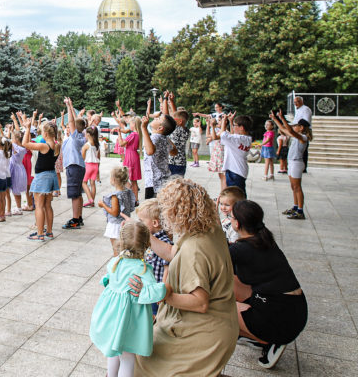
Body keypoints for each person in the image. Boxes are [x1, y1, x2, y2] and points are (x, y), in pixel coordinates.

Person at [132, 179, 238, 377]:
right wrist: (146, 235)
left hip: (202, 332)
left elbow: (200, 303)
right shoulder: (208, 228)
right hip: (220, 324)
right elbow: (174, 253)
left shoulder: (196, 249)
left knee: (141, 361)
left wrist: (159, 293)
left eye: (166, 209)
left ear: (176, 211)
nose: (163, 214)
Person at [230, 200, 308, 369]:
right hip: (296, 310)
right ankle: (258, 335)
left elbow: (211, 258)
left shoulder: (241, 249)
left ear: (237, 223)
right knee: (232, 283)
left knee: (219, 309)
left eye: (231, 217)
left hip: (280, 320)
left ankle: (268, 340)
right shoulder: (264, 239)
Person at [89, 221, 168, 377]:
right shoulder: (142, 269)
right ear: (147, 244)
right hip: (130, 320)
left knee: (113, 351)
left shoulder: (115, 262)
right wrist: (164, 287)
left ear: (122, 241)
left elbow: (107, 280)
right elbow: (155, 293)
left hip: (112, 316)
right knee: (128, 356)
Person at [20, 111, 61, 241]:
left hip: (42, 177)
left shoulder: (44, 146)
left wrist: (27, 128)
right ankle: (49, 231)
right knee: (48, 205)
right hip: (51, 175)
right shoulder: (57, 145)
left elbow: (25, 144)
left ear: (46, 133)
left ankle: (40, 233)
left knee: (39, 205)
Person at [135, 199, 173, 315]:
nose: (139, 224)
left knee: (154, 315)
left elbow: (167, 270)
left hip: (155, 290)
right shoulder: (150, 238)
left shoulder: (164, 243)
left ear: (155, 223)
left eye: (142, 221)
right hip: (147, 287)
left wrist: (162, 292)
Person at [270, 111, 309, 220]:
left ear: (301, 127)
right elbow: (283, 129)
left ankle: (300, 211)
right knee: (293, 187)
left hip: (297, 163)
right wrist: (275, 119)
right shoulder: (296, 136)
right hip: (292, 162)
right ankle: (296, 207)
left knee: (297, 187)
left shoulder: (303, 137)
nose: (294, 127)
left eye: (296, 125)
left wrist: (282, 117)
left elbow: (290, 130)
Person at [140, 99, 176, 199]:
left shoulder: (155, 137)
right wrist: (167, 137)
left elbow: (150, 151)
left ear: (160, 128)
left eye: (158, 119)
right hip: (164, 179)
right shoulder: (165, 139)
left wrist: (143, 128)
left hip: (154, 182)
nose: (155, 118)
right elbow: (174, 151)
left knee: (152, 211)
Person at [61, 98, 87, 230]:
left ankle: (75, 219)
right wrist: (71, 106)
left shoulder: (75, 136)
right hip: (78, 166)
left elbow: (72, 121)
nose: (67, 126)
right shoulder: (80, 135)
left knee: (74, 195)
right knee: (78, 193)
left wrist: (68, 106)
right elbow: (77, 121)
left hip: (74, 166)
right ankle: (79, 217)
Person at [98, 166, 136, 256]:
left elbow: (114, 212)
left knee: (117, 250)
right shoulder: (127, 192)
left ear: (114, 180)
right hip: (125, 223)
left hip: (116, 225)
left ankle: (116, 267)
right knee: (124, 249)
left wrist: (103, 205)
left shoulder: (115, 196)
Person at [219, 112, 253, 196]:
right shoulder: (247, 138)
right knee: (239, 194)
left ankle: (241, 209)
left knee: (235, 197)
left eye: (235, 125)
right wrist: (231, 122)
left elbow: (223, 135)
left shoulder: (238, 139)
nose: (233, 127)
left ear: (241, 127)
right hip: (240, 170)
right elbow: (233, 136)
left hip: (234, 171)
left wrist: (224, 120)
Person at [163, 92, 189, 178]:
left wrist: (165, 99)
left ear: (180, 121)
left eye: (174, 119)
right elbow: (175, 114)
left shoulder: (178, 129)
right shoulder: (185, 130)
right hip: (181, 163)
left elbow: (166, 116)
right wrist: (172, 102)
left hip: (174, 163)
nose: (173, 120)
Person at [7, 114, 28, 216]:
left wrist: (10, 131)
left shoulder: (15, 148)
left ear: (15, 139)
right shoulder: (23, 147)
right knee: (16, 190)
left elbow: (9, 141)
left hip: (14, 169)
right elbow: (17, 132)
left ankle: (18, 207)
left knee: (15, 189)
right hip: (20, 168)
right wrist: (14, 123)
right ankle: (18, 206)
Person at [0, 125, 12, 223]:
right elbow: (0, 140)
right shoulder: (6, 153)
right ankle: (3, 214)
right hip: (4, 177)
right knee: (3, 198)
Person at [81, 126, 101, 208]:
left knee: (84, 183)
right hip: (95, 166)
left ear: (88, 134)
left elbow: (82, 157)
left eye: (85, 133)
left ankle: (90, 199)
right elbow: (99, 158)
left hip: (88, 166)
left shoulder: (86, 145)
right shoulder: (97, 145)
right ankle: (92, 202)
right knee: (93, 184)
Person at [292, 96, 313, 171]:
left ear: (301, 101)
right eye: (294, 102)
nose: (295, 104)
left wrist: (300, 128)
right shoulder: (298, 110)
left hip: (303, 130)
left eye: (297, 102)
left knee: (303, 149)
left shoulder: (305, 109)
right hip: (298, 129)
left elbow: (305, 121)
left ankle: (303, 167)